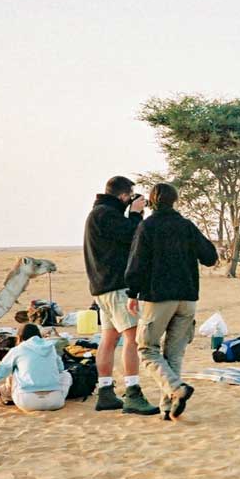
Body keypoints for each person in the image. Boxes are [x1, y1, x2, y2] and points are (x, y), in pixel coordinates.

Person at [125, 183, 219, 421]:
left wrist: (132, 293)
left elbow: (136, 264)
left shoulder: (147, 226)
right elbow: (210, 257)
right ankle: (168, 407)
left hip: (159, 298)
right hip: (187, 298)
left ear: (152, 202)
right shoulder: (186, 226)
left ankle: (177, 389)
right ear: (174, 200)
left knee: (146, 349)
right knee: (174, 354)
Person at [83, 175, 159, 416]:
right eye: (130, 197)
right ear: (123, 195)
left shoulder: (99, 213)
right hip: (115, 287)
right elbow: (134, 236)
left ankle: (106, 391)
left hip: (101, 287)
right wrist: (136, 214)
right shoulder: (107, 214)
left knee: (108, 338)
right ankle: (133, 392)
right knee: (131, 338)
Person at [0, 323, 72, 412]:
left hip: (27, 402)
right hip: (55, 402)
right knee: (66, 374)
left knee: (14, 371)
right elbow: (60, 369)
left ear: (19, 337)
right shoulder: (51, 347)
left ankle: (6, 394)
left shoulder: (17, 350)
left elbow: (0, 372)